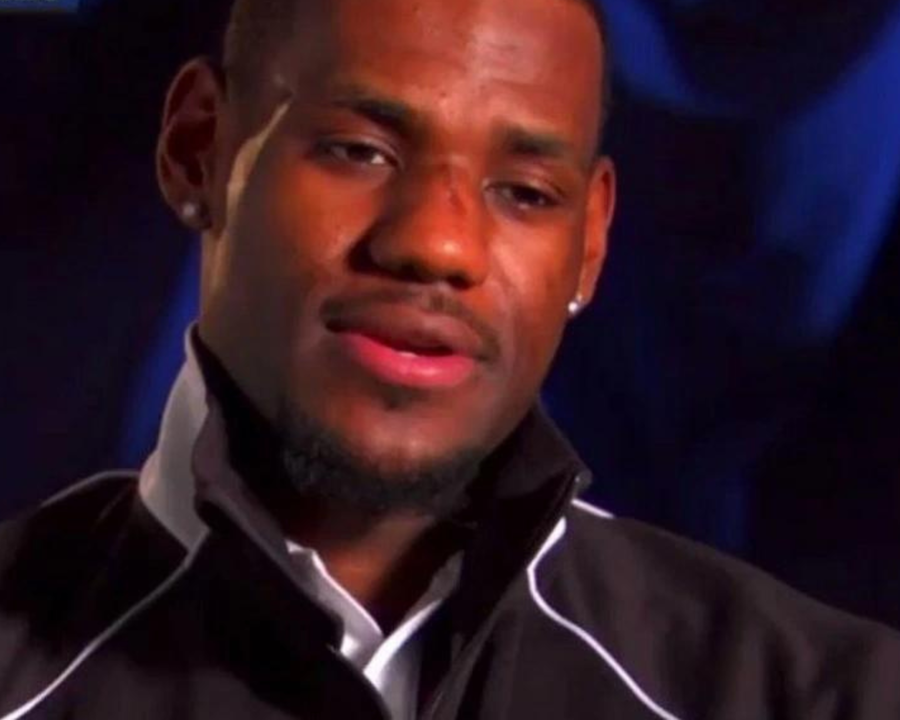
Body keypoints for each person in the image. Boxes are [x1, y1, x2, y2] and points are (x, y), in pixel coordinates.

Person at [1, 0, 898, 718]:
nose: (438, 244)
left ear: (590, 243)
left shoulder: (826, 696)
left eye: (525, 192)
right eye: (359, 151)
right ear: (197, 149)